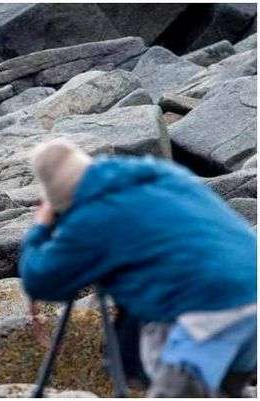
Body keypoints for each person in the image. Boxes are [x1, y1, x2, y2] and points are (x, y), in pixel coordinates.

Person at [19, 138, 257, 397]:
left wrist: (41, 228)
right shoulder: (160, 175)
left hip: (208, 310)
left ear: (58, 198)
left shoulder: (93, 217)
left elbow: (40, 278)